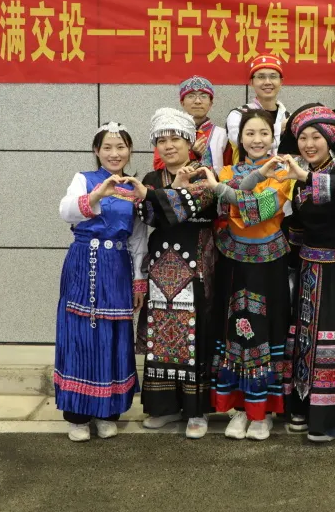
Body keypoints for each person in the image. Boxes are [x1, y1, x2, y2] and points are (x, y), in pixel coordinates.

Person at [200, 109, 295, 441]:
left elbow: (258, 211)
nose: (257, 140)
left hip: (270, 263)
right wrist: (230, 191)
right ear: (239, 138)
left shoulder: (284, 171)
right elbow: (231, 205)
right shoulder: (227, 170)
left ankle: (262, 412)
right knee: (234, 330)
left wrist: (221, 190)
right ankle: (240, 409)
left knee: (267, 330)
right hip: (233, 261)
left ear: (273, 137)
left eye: (263, 133)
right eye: (250, 133)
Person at [54, 122, 148, 442]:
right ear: (97, 151)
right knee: (80, 335)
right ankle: (77, 415)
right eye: (107, 147)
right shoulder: (84, 179)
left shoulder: (134, 188)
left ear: (129, 151)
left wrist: (138, 280)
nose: (114, 153)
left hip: (118, 266)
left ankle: (108, 411)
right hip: (85, 261)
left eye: (120, 147)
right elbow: (66, 211)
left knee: (114, 335)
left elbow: (137, 239)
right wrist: (98, 194)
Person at [277, 104, 335, 442]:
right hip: (309, 269)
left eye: (316, 137)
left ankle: (330, 416)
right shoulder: (298, 177)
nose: (309, 144)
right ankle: (302, 404)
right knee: (306, 337)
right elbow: (298, 224)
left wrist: (305, 178)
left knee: (333, 337)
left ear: (329, 140)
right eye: (303, 138)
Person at [132, 108, 219, 439]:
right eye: (162, 141)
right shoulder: (152, 177)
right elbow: (148, 216)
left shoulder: (204, 174)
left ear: (189, 142)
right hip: (161, 266)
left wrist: (157, 197)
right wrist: (160, 197)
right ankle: (165, 407)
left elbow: (178, 211)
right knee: (162, 335)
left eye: (175, 139)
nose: (168, 146)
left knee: (196, 334)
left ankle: (197, 411)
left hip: (197, 261)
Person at [151, 76, 228, 173]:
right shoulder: (167, 131)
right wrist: (191, 153)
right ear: (182, 102)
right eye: (191, 96)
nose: (197, 101)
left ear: (210, 103)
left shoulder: (223, 135)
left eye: (203, 96)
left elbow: (230, 170)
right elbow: (159, 167)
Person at [224, 54, 289, 163]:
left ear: (281, 82)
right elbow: (242, 141)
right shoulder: (238, 114)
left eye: (273, 76)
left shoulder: (288, 117)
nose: (267, 82)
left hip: (283, 174)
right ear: (251, 82)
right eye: (261, 77)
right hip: (247, 173)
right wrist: (280, 128)